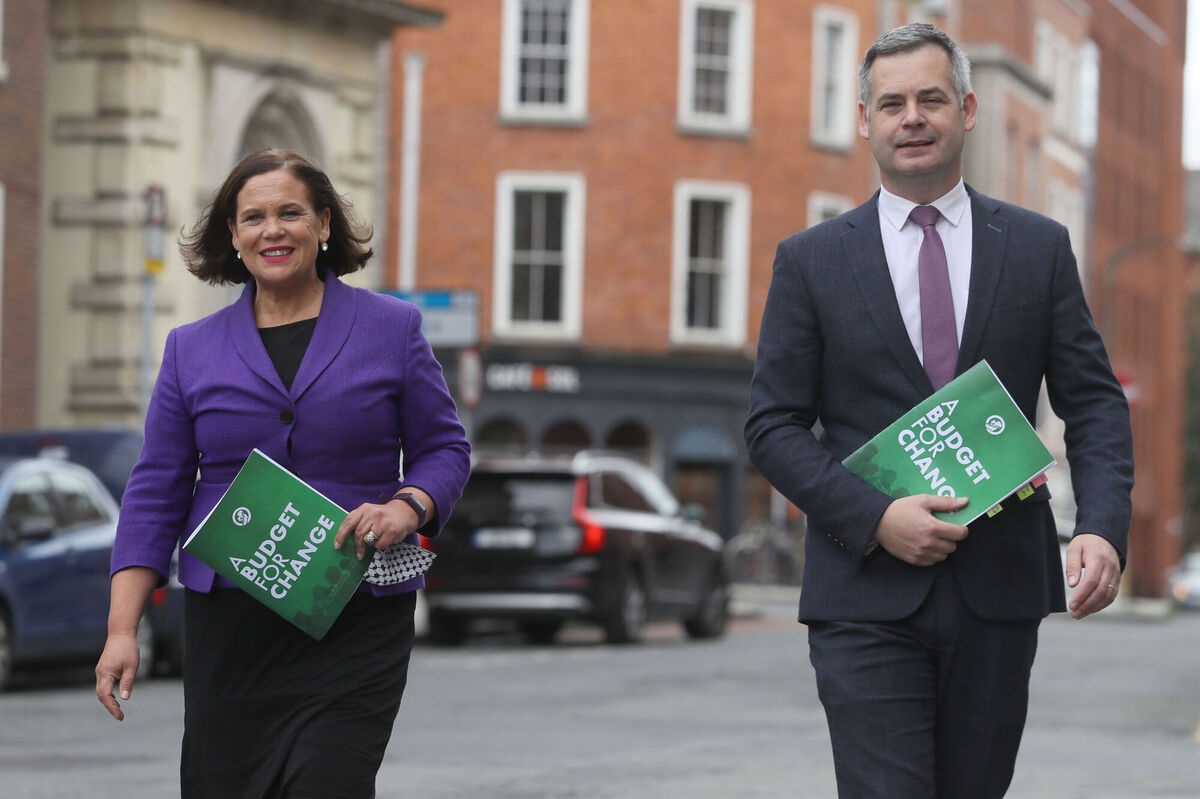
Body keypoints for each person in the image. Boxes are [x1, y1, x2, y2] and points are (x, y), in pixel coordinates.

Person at [744, 23, 1134, 799]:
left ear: (968, 109)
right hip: (863, 589)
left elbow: (1092, 399)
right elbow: (772, 425)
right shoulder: (811, 261)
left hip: (999, 590)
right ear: (866, 121)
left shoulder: (1037, 248)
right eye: (892, 104)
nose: (912, 118)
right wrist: (875, 516)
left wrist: (1101, 524)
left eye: (931, 99)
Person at [95, 148, 471, 798]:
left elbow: (445, 448)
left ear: (323, 223)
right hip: (231, 625)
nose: (273, 229)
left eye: (290, 212)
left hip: (353, 610)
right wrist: (121, 631)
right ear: (234, 235)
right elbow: (155, 491)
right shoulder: (190, 349)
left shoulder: (393, 328)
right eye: (254, 217)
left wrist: (405, 507)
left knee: (327, 781)